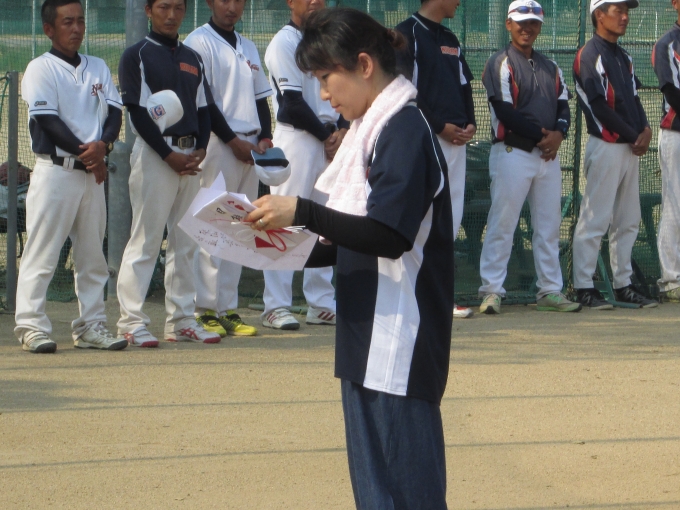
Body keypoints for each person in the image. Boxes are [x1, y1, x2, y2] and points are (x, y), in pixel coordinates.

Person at [245, 8, 454, 508]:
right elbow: (346, 240)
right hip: (365, 336)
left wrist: (302, 211)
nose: (322, 94)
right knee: (376, 494)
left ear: (364, 65)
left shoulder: (404, 129)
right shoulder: (368, 131)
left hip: (400, 339)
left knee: (410, 494)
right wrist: (264, 244)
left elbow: (389, 235)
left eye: (325, 77)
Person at [15, 0, 127, 353]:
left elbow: (114, 113)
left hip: (91, 175)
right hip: (56, 172)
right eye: (67, 22)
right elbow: (48, 121)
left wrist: (103, 146)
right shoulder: (40, 68)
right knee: (42, 254)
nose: (76, 28)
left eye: (80, 20)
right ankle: (31, 326)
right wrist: (90, 154)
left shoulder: (97, 66)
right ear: (49, 29)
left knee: (93, 257)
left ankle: (91, 326)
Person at [116, 0, 221, 347]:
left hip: (190, 157)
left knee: (186, 241)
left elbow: (204, 110)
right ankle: (131, 322)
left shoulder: (192, 57)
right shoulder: (137, 54)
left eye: (178, 7)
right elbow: (137, 112)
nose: (171, 14)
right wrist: (167, 154)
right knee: (145, 240)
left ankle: (182, 320)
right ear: (148, 10)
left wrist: (201, 147)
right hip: (155, 154)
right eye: (163, 6)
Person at [477, 0, 581, 314]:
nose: (527, 28)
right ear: (508, 24)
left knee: (549, 227)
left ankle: (549, 290)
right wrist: (544, 137)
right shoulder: (500, 61)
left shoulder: (551, 66)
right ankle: (491, 291)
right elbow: (504, 110)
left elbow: (563, 107)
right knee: (503, 224)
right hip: (513, 152)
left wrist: (559, 133)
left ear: (540, 26)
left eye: (533, 22)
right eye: (521, 22)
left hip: (546, 156)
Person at [184, 0, 273, 337]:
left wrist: (265, 137)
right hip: (219, 144)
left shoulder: (247, 45)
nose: (231, 6)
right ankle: (203, 308)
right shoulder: (198, 42)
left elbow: (261, 99)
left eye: (238, 0)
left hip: (249, 147)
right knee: (212, 225)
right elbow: (205, 103)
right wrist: (232, 140)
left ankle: (227, 309)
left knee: (240, 227)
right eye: (224, 0)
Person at [261, 0, 349, 330]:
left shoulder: (326, 40)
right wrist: (327, 136)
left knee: (326, 221)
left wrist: (342, 130)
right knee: (283, 221)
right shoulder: (283, 42)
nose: (314, 1)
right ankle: (275, 305)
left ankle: (321, 302)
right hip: (297, 138)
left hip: (328, 138)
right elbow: (291, 104)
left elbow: (344, 91)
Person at [572, 0, 657, 309]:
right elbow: (599, 107)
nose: (625, 17)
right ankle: (584, 286)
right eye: (618, 11)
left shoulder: (623, 56)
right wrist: (635, 135)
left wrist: (645, 129)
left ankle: (623, 284)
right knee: (595, 218)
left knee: (628, 219)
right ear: (599, 14)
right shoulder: (588, 54)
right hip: (606, 144)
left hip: (628, 147)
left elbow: (633, 99)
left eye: (626, 11)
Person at [395, 0, 476, 319]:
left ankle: (439, 295)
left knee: (449, 218)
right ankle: (410, 294)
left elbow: (465, 86)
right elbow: (405, 90)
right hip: (425, 139)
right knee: (420, 217)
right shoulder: (406, 34)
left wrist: (470, 122)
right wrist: (440, 126)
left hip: (456, 141)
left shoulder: (450, 38)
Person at [652, 0, 680, 303]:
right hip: (676, 132)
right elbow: (671, 91)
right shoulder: (667, 44)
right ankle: (671, 280)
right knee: (675, 204)